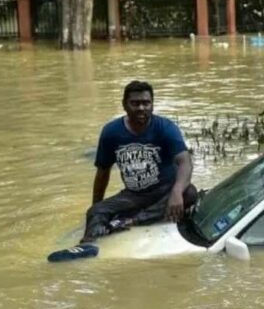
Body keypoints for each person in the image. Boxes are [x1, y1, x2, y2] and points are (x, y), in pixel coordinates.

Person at [80, 80, 197, 244]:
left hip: (164, 193)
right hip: (133, 196)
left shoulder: (165, 127)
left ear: (152, 105)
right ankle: (89, 245)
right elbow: (102, 173)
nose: (141, 108)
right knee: (95, 211)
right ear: (125, 105)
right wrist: (97, 210)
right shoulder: (111, 132)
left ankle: (130, 221)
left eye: (146, 103)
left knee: (189, 193)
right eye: (135, 103)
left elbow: (185, 161)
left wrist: (176, 192)